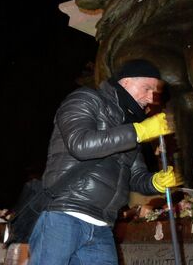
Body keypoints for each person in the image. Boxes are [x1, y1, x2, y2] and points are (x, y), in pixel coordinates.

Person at [28, 59, 182, 264]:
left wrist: (154, 182)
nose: (150, 97)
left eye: (154, 91)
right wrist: (139, 131)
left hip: (102, 225)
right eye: (146, 88)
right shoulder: (86, 98)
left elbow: (134, 177)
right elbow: (80, 145)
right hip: (65, 214)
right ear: (125, 82)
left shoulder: (130, 125)